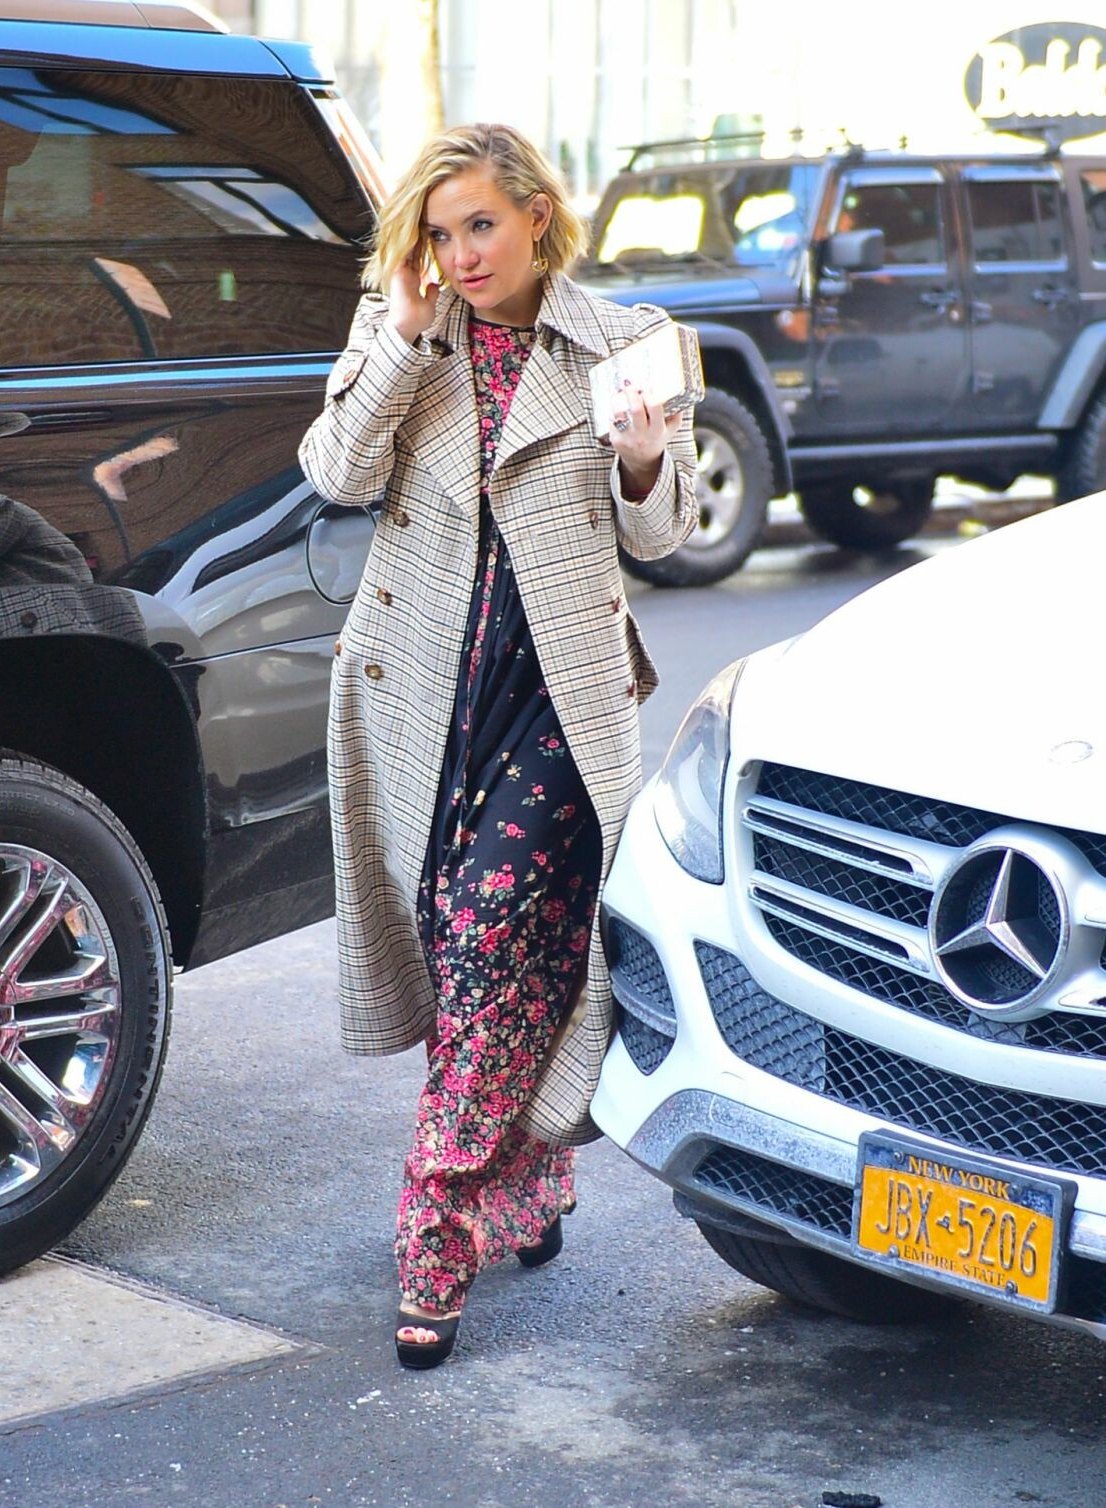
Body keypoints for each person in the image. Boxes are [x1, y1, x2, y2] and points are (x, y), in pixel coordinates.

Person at [298, 122, 696, 1369]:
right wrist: (406, 336)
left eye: (481, 223)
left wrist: (643, 461)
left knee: (487, 933)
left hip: (558, 702)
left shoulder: (625, 341)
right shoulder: (403, 331)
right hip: (423, 692)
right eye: (441, 231)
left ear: (536, 215)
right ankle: (527, 1174)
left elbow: (666, 535)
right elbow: (335, 473)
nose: (463, 253)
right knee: (462, 948)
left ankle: (436, 1225)